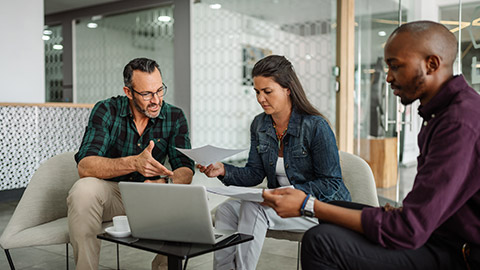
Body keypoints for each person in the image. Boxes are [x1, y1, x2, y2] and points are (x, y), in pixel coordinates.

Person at [263, 21, 480, 270]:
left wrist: (307, 205)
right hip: (436, 232)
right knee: (334, 212)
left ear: (431, 64)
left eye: (395, 66)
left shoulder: (460, 122)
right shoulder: (441, 113)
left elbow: (409, 230)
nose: (388, 77)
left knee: (321, 241)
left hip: (458, 253)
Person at [197, 55, 351, 270]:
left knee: (254, 208)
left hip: (321, 208)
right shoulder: (259, 124)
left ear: (288, 89)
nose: (261, 98)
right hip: (282, 203)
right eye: (257, 92)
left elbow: (331, 184)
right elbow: (254, 173)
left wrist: (289, 192)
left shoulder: (316, 126)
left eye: (267, 91)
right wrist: (223, 170)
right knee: (226, 210)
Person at [68, 57, 195, 270]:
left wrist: (164, 184)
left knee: (188, 204)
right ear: (128, 92)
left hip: (151, 194)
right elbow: (86, 166)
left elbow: (184, 168)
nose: (156, 100)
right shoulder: (106, 110)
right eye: (146, 94)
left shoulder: (175, 116)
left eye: (159, 90)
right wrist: (134, 163)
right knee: (83, 189)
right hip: (112, 194)